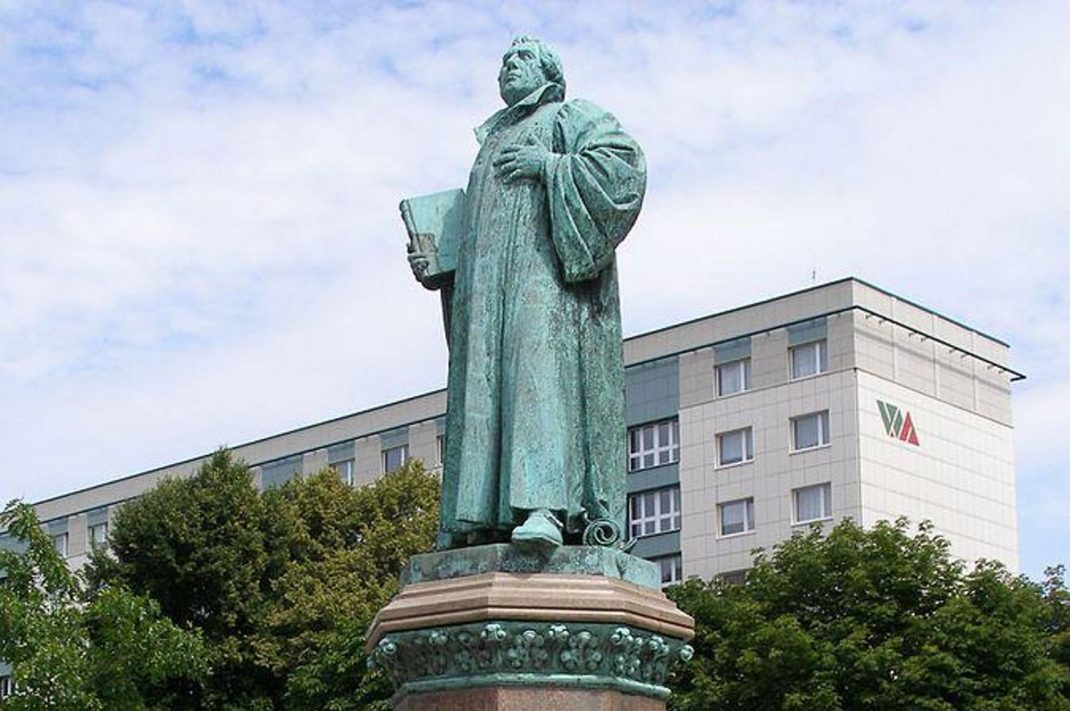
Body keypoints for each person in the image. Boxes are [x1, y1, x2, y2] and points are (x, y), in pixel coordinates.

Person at [408, 36, 646, 549]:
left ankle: (545, 508)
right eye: (503, 61)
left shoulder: (568, 115)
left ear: (549, 71)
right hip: (485, 293)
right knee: (483, 388)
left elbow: (624, 167)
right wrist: (440, 267)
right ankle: (478, 517)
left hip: (543, 281)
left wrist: (551, 166)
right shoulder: (489, 143)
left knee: (539, 379)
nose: (508, 66)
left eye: (521, 58)